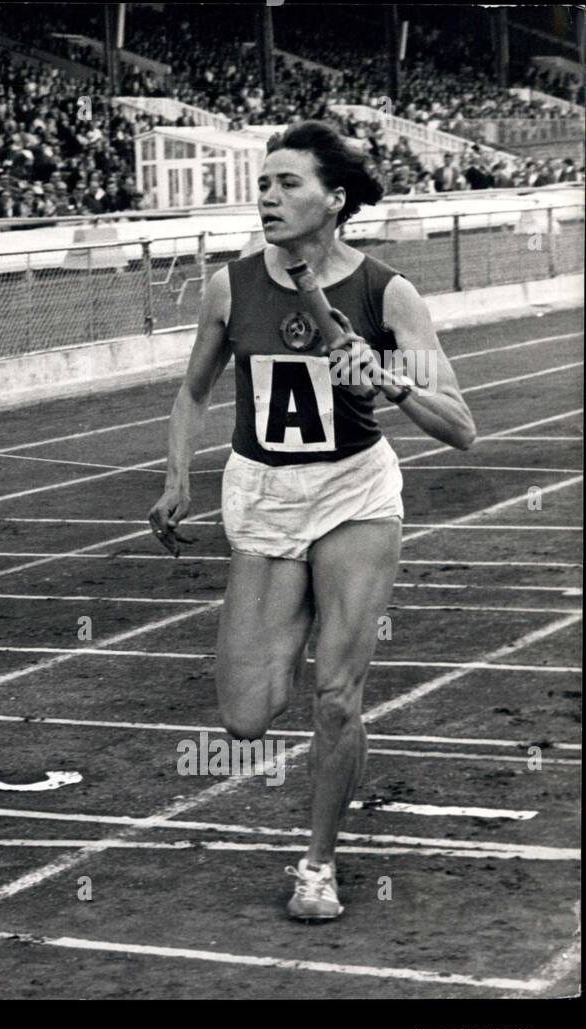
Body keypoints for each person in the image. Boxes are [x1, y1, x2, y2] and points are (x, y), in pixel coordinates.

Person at [148, 121, 476, 922]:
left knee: (336, 697)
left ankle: (318, 865)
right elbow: (193, 392)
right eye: (263, 183)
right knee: (246, 717)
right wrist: (177, 474)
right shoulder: (231, 287)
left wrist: (389, 379)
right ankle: (291, 622)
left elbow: (461, 424)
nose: (267, 196)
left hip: (354, 493)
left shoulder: (387, 293)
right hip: (262, 493)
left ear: (334, 200)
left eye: (288, 183)